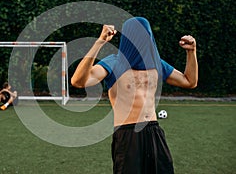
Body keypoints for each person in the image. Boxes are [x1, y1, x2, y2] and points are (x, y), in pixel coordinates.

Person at [71, 17, 198, 174]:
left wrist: (191, 52)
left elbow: (189, 81)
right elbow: (78, 81)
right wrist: (99, 42)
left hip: (154, 131)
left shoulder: (157, 63)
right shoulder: (114, 62)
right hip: (128, 134)